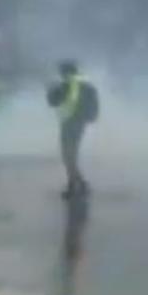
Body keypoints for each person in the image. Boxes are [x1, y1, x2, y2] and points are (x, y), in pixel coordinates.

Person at [47, 60, 98, 198]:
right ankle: (77, 183)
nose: (61, 75)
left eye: (61, 72)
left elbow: (52, 101)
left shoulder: (66, 85)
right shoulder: (86, 85)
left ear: (66, 72)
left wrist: (50, 88)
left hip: (69, 124)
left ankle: (77, 185)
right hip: (79, 124)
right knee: (71, 155)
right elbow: (94, 103)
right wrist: (90, 117)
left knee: (68, 155)